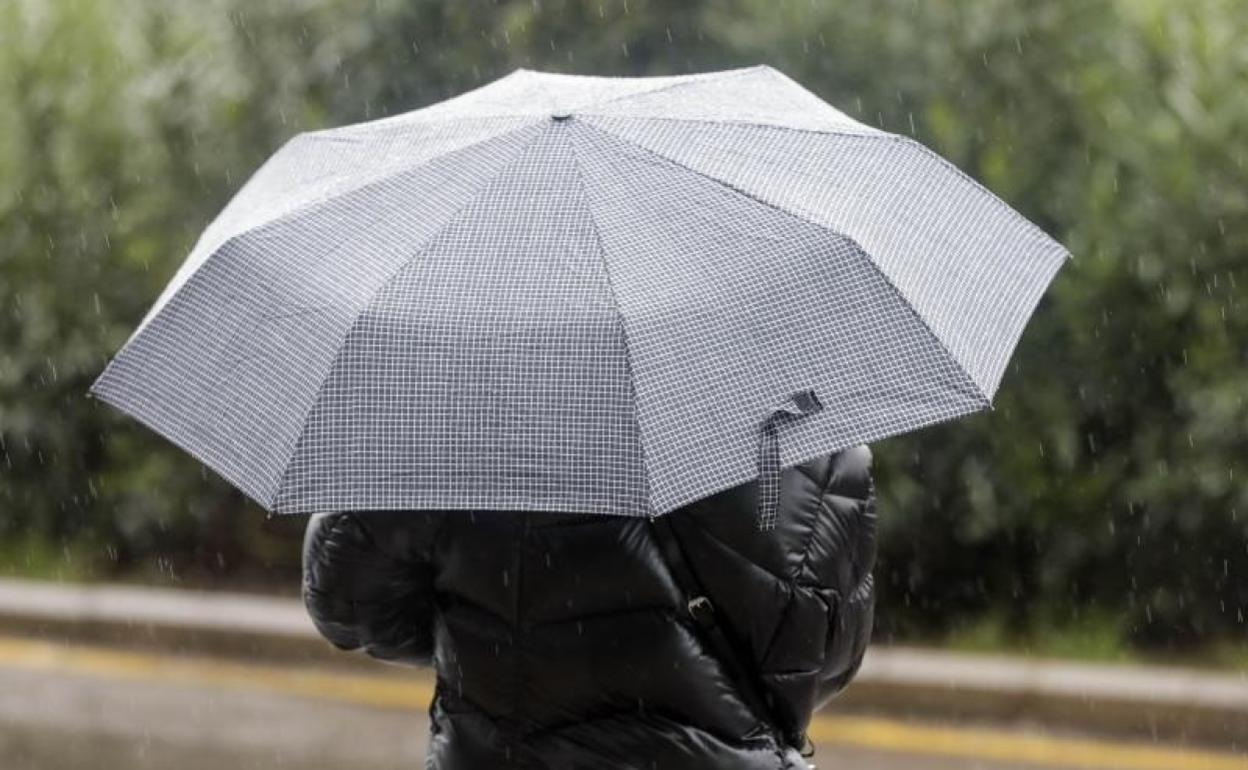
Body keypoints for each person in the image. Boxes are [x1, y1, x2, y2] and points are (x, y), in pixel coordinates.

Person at [302, 445, 876, 770]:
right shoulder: (805, 438)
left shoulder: (444, 416)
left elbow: (349, 606)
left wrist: (492, 632)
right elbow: (822, 657)